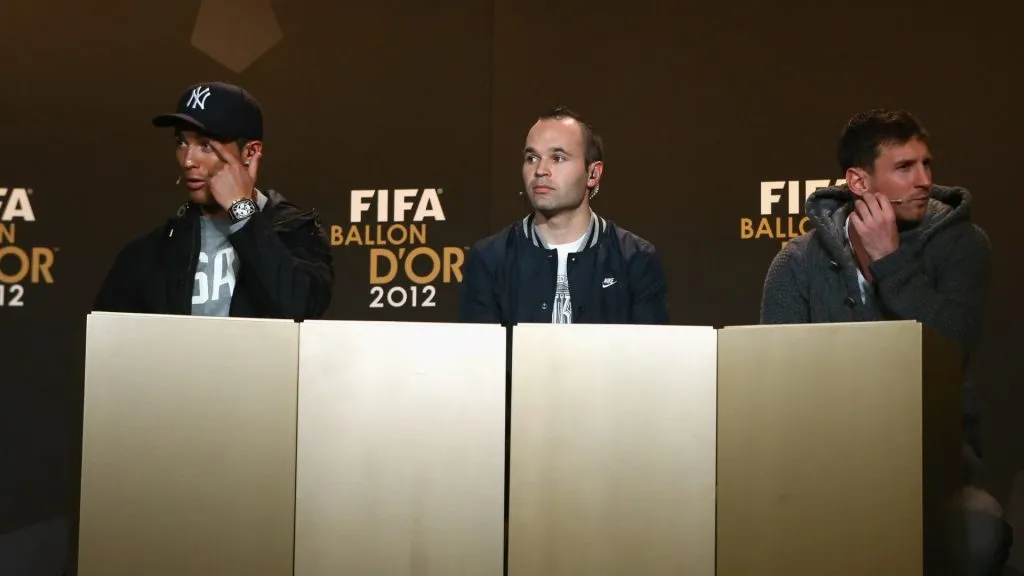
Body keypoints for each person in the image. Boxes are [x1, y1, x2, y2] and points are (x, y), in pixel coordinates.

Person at [759, 108, 1010, 575]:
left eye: (926, 164)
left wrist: (890, 261)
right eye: (904, 167)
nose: (924, 181)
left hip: (933, 462)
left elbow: (951, 347)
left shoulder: (963, 244)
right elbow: (775, 380)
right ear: (858, 181)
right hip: (826, 461)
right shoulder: (795, 263)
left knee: (979, 533)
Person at [93, 81, 333, 319]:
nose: (188, 160)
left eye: (205, 145)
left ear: (250, 152)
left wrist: (242, 212)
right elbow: (109, 345)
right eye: (181, 143)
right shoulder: (149, 252)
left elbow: (299, 309)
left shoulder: (296, 232)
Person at [458, 106, 669, 325]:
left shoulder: (635, 260)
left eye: (557, 158)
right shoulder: (489, 259)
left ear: (593, 173)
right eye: (531, 158)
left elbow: (649, 355)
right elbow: (480, 356)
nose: (540, 170)